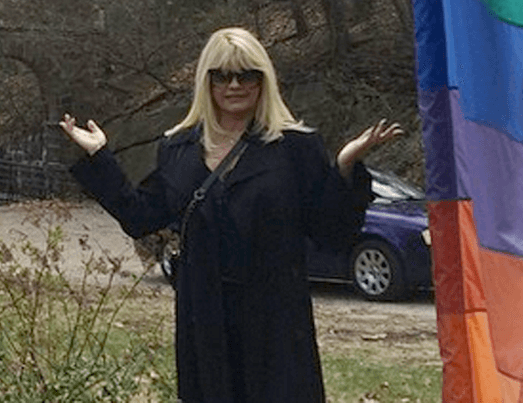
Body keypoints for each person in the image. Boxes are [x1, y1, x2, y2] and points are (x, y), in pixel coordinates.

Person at [59, 27, 403, 403]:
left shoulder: (295, 147)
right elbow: (140, 216)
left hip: (275, 324)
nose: (234, 85)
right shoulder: (178, 148)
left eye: (246, 75)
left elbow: (331, 233)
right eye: (221, 76)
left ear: (263, 79)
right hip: (205, 323)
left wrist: (345, 167)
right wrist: (100, 157)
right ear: (206, 81)